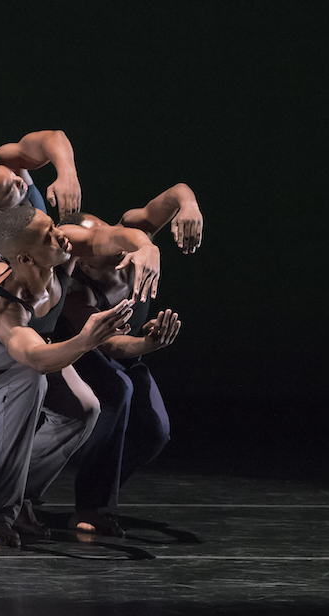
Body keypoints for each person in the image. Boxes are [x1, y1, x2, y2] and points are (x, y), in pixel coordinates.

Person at [0, 204, 161, 546]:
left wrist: (145, 247)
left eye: (52, 227)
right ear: (27, 259)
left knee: (84, 408)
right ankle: (0, 516)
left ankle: (18, 495)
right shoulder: (5, 306)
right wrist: (86, 340)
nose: (59, 233)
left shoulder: (63, 249)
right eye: (47, 235)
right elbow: (34, 357)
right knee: (30, 382)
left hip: (28, 347)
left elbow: (108, 235)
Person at [0, 130, 84, 516]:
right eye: (7, 184)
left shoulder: (3, 169)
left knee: (80, 407)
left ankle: (8, 488)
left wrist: (66, 172)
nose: (14, 177)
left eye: (6, 173)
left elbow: (51, 138)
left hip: (35, 280)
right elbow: (5, 296)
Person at [57, 183, 203, 535]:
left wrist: (188, 206)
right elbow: (108, 345)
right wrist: (147, 344)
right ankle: (90, 506)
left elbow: (175, 193)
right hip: (85, 356)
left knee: (156, 432)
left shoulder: (134, 241)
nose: (110, 249)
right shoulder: (76, 288)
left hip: (129, 357)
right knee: (116, 392)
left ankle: (100, 491)